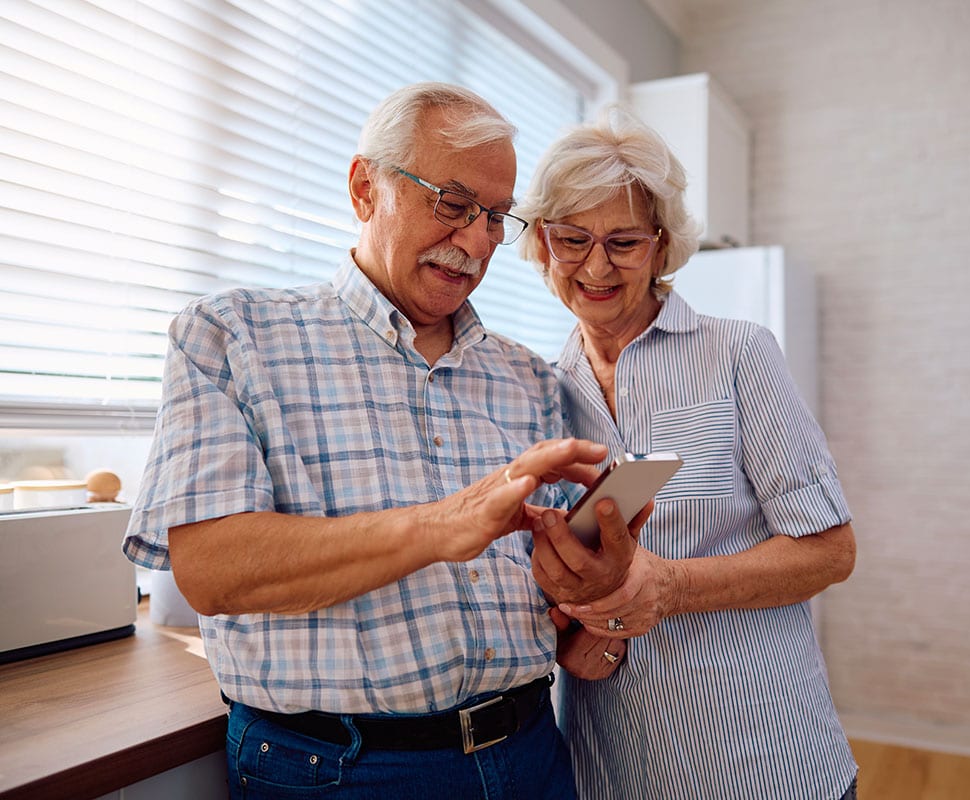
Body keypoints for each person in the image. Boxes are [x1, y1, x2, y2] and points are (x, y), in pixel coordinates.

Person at [123, 83, 638, 800]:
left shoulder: (528, 376)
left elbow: (559, 612)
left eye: (496, 216)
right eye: (454, 204)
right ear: (366, 188)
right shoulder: (232, 337)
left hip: (529, 753)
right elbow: (211, 571)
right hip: (338, 772)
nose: (477, 240)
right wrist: (445, 525)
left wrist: (595, 582)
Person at [517, 107, 860, 800]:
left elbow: (830, 551)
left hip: (761, 754)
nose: (595, 265)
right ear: (542, 244)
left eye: (624, 242)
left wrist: (670, 587)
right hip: (613, 767)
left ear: (662, 245)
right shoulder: (534, 390)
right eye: (571, 238)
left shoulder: (738, 354)